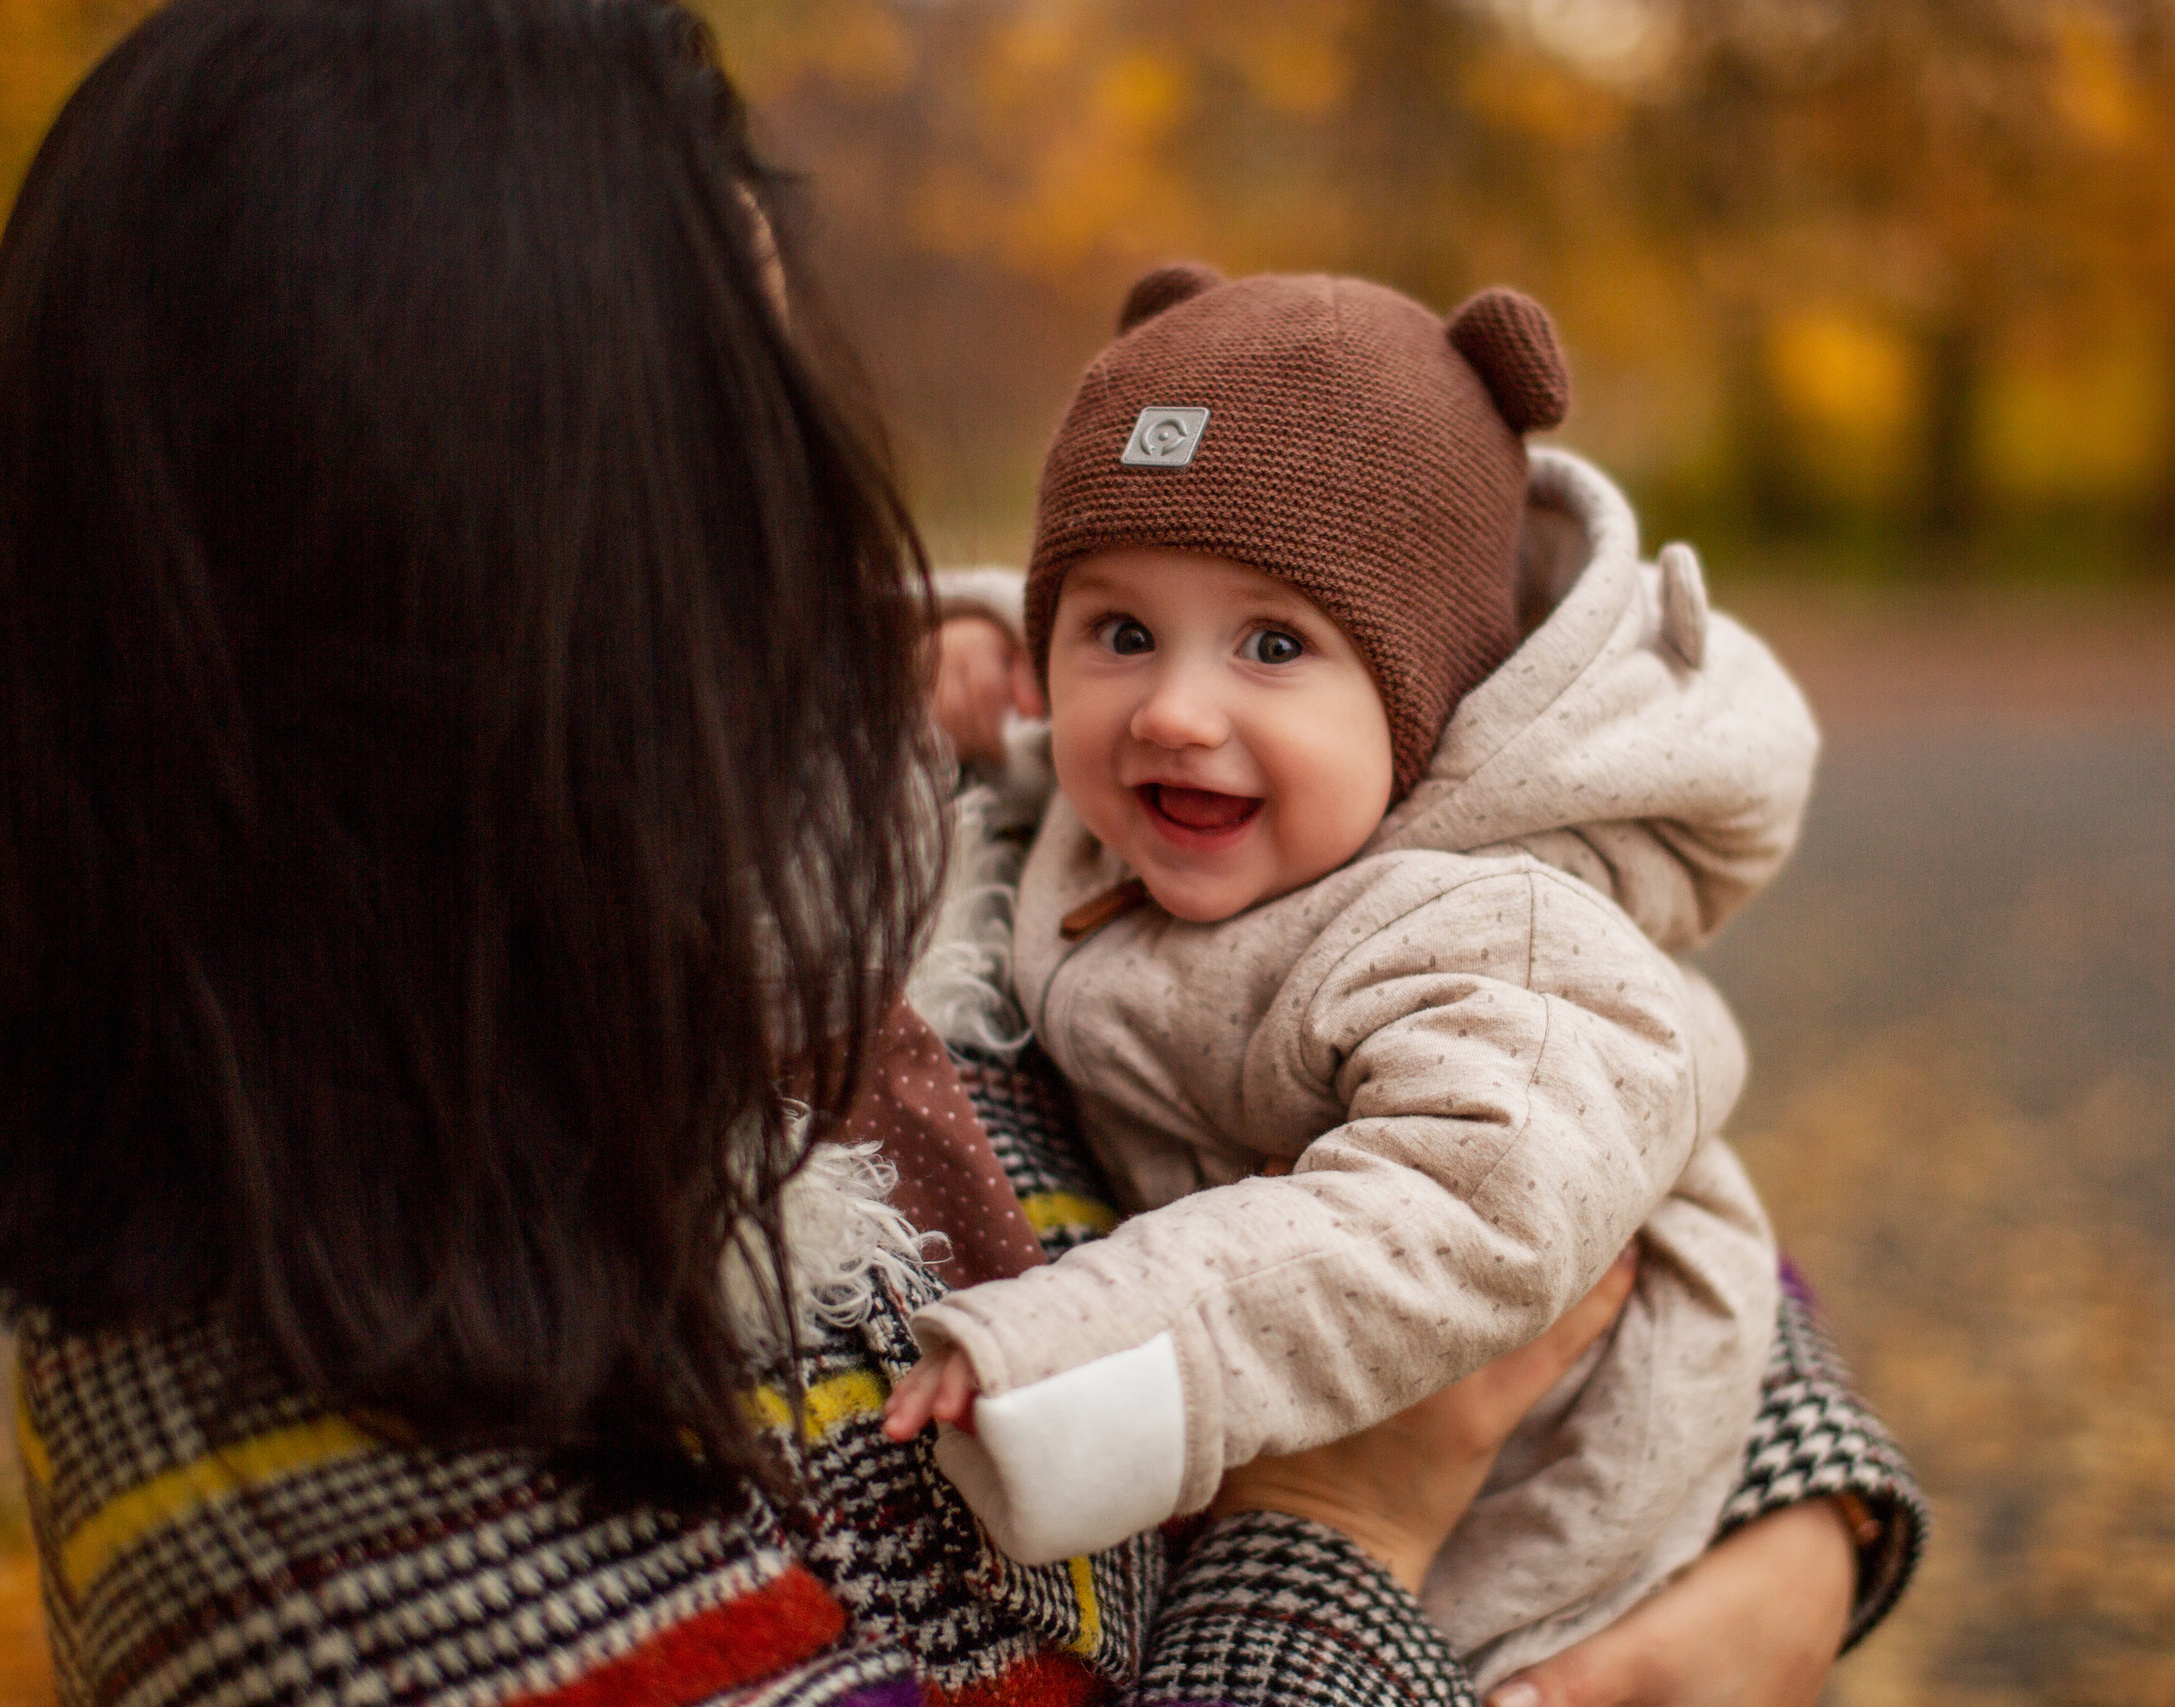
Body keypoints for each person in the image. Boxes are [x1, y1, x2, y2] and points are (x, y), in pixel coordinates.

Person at [0, 1, 1921, 1703]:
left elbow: (1555, 1128)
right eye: (726, 464)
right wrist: (1340, 1533)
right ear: (480, 588)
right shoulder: (307, 1510)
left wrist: (1799, 1523)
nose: (812, 548)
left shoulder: (845, 832)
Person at [891, 267, 1885, 1687]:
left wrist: (1082, 1351)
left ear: (1433, 708)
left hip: (1546, 1547)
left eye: (1275, 643)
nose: (1174, 708)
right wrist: (960, 644)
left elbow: (1465, 1202)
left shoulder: (1491, 931)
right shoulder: (1168, 803)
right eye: (1120, 633)